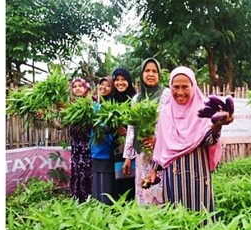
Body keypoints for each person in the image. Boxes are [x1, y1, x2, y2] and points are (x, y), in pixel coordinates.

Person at [147, 66, 233, 220]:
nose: (180, 92)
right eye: (176, 87)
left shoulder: (203, 110)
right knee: (176, 220)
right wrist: (154, 170)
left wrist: (217, 125)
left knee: (200, 220)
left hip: (197, 176)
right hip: (172, 178)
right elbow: (161, 145)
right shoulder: (166, 113)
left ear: (193, 87)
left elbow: (209, 140)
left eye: (185, 87)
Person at [122, 58, 170, 205]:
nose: (150, 74)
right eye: (147, 71)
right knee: (143, 190)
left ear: (159, 75)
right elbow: (132, 128)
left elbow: (171, 123)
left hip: (161, 153)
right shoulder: (136, 99)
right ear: (141, 74)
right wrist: (128, 157)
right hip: (141, 155)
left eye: (154, 71)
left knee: (160, 191)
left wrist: (157, 140)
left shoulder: (167, 94)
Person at [90, 70, 135, 204]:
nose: (120, 83)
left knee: (131, 183)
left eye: (123, 79)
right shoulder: (111, 101)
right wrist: (115, 128)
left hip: (133, 149)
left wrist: (127, 131)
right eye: (117, 80)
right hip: (115, 151)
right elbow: (107, 125)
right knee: (118, 186)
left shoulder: (135, 99)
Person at [66, 77, 93, 202]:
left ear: (85, 88)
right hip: (76, 146)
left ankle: (91, 198)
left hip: (89, 146)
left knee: (89, 171)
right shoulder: (68, 106)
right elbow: (59, 125)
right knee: (77, 171)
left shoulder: (92, 103)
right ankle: (78, 198)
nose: (77, 88)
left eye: (80, 86)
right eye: (75, 86)